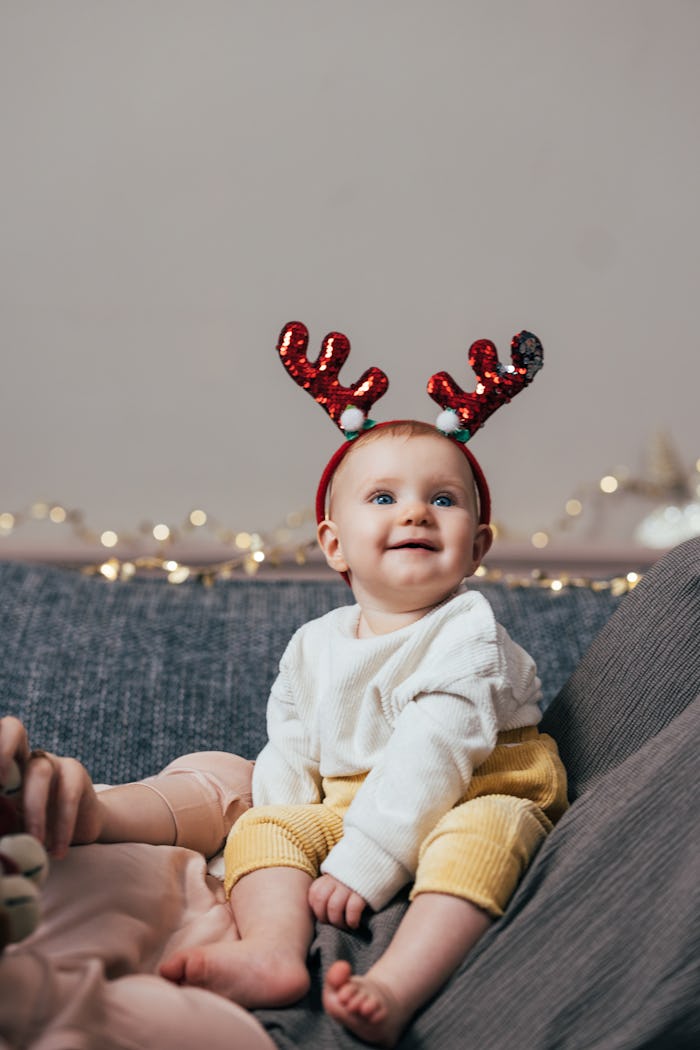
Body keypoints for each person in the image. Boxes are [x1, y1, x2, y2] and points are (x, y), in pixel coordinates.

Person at [159, 420, 569, 1047]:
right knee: (265, 824)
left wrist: (368, 861)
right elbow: (293, 741)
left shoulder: (468, 630)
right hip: (355, 799)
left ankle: (396, 987)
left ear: (478, 544)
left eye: (443, 499)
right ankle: (271, 953)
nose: (415, 514)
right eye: (384, 498)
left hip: (485, 786)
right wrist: (282, 835)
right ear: (334, 544)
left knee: (482, 839)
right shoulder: (315, 642)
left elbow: (436, 749)